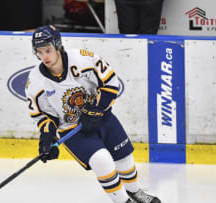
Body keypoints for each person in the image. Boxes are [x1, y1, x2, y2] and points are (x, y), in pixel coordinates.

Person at [25, 25, 161, 203]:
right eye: (40, 52)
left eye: (48, 50)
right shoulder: (35, 82)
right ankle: (123, 201)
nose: (44, 57)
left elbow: (111, 82)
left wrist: (97, 109)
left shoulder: (83, 59)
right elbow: (42, 115)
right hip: (72, 129)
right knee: (102, 160)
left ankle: (135, 192)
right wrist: (47, 137)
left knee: (124, 157)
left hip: (102, 117)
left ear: (58, 46)